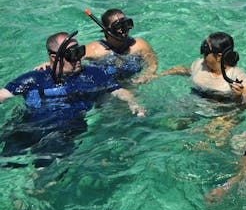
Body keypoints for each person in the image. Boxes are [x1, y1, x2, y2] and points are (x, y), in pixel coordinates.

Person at [0, 31, 145, 167]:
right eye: (72, 54)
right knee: (6, 163)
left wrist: (133, 102)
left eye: (80, 52)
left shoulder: (93, 75)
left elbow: (118, 90)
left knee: (46, 175)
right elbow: (3, 95)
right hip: (27, 129)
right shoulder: (35, 78)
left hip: (64, 133)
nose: (78, 58)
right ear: (53, 57)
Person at [34, 8, 157, 84]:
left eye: (126, 25)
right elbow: (71, 57)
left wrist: (147, 75)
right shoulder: (95, 49)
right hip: (109, 84)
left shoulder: (139, 44)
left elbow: (153, 63)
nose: (123, 31)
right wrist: (49, 64)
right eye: (118, 28)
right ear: (106, 31)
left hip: (134, 81)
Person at [149, 32, 246, 104]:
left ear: (218, 56)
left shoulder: (239, 79)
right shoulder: (199, 64)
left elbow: (245, 104)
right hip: (193, 104)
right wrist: (157, 76)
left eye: (206, 50)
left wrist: (238, 97)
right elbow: (182, 70)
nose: (202, 53)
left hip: (220, 114)